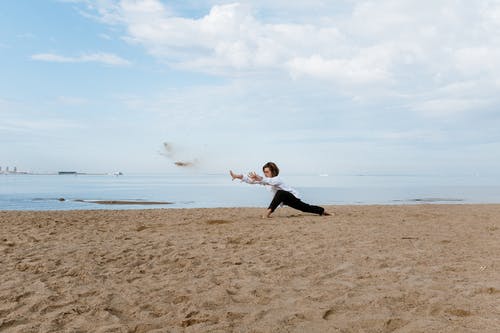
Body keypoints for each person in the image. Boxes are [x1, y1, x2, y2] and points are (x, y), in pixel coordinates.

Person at [230, 162, 331, 218]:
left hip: (291, 197)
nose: (265, 174)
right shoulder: (266, 180)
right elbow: (251, 181)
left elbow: (270, 182)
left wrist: (260, 178)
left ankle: (268, 212)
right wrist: (238, 176)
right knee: (305, 208)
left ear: (273, 171)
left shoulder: (278, 179)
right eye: (264, 172)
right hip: (285, 200)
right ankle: (323, 211)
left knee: (281, 193)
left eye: (267, 172)